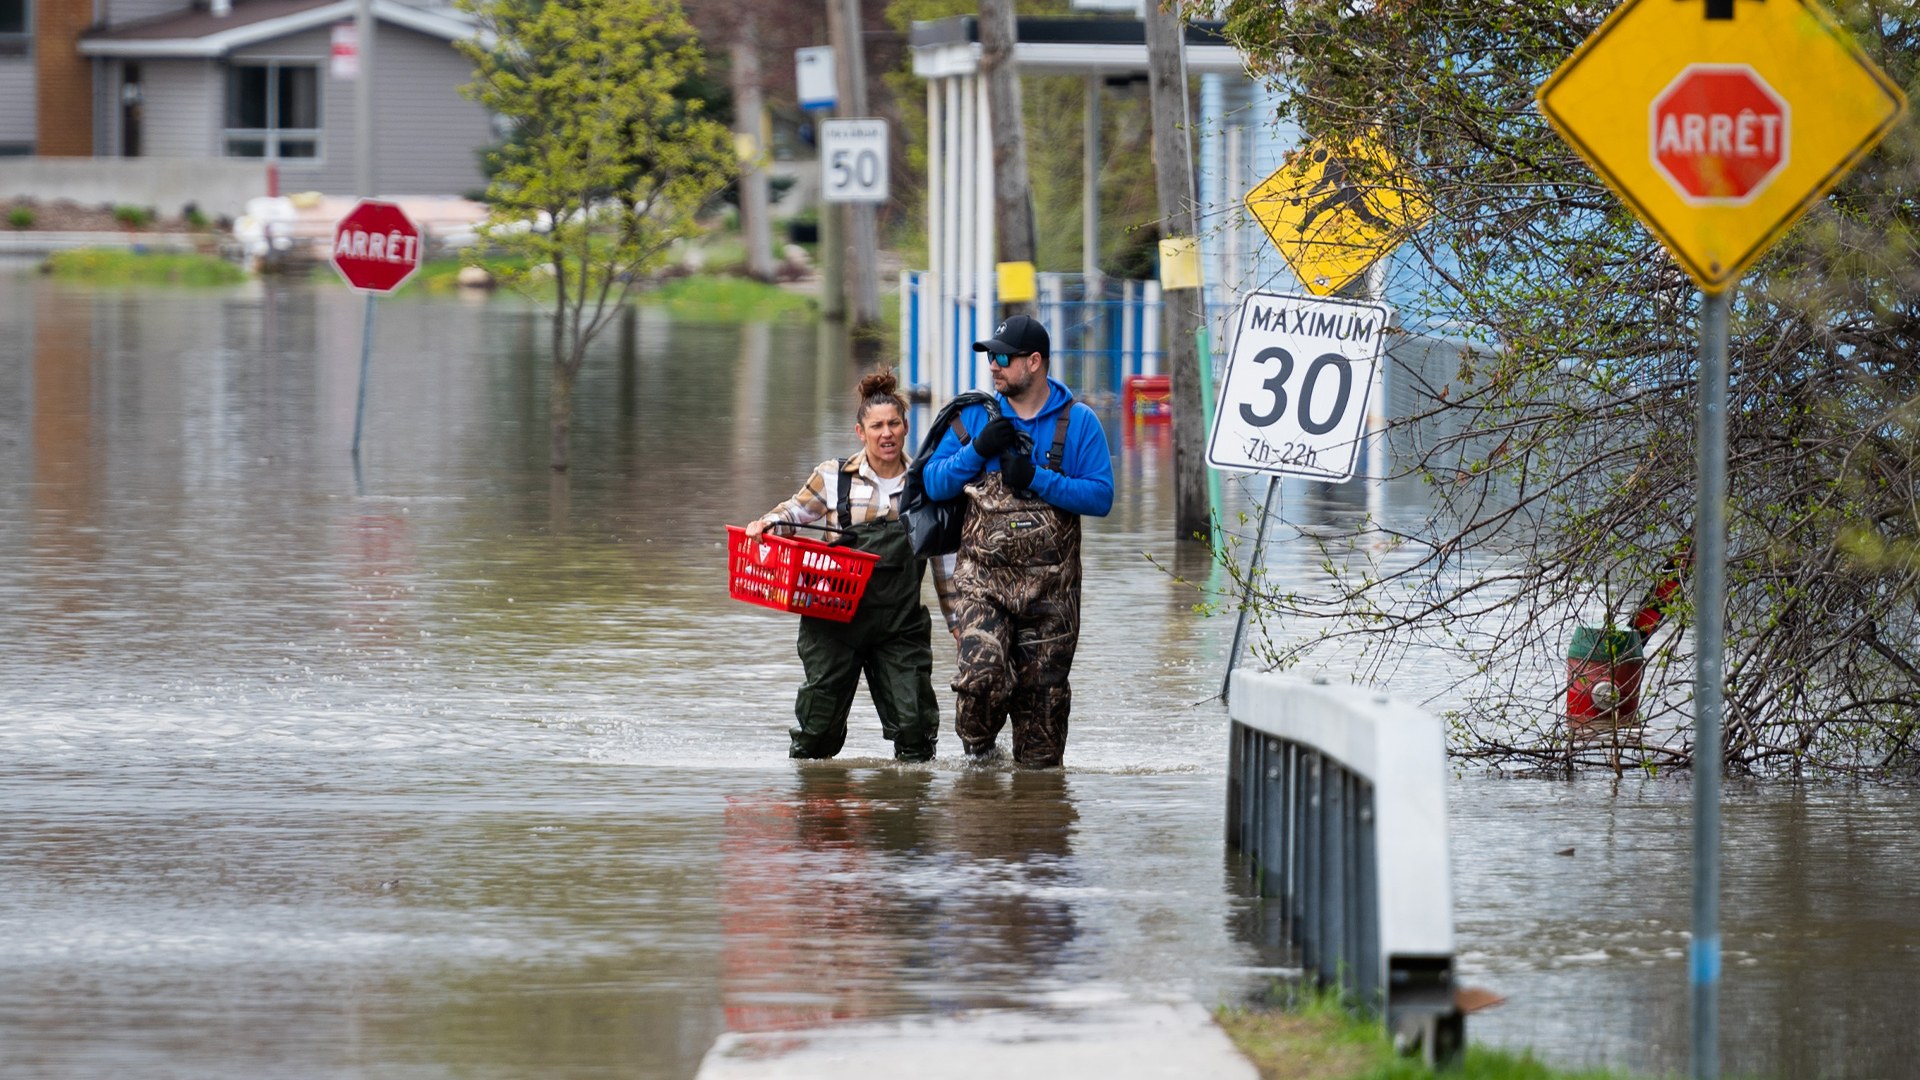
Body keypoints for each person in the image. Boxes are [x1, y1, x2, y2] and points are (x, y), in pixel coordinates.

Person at [922, 315, 1114, 767]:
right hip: (982, 585)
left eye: (1002, 358)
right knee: (980, 677)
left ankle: (1032, 818)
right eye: (990, 357)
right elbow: (932, 484)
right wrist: (978, 450)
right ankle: (981, 758)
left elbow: (1101, 496)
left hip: (1052, 597)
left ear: (1034, 362)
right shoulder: (973, 418)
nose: (993, 366)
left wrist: (1038, 477)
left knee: (1042, 743)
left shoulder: (1080, 422)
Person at [746, 370, 954, 762]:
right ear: (861, 432)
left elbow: (944, 565)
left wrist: (961, 628)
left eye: (894, 423)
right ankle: (815, 809)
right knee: (816, 735)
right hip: (833, 622)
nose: (886, 433)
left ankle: (906, 814)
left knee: (915, 734)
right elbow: (794, 512)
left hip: (899, 626)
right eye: (876, 426)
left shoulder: (926, 484)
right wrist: (769, 522)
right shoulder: (833, 477)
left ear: (907, 427)